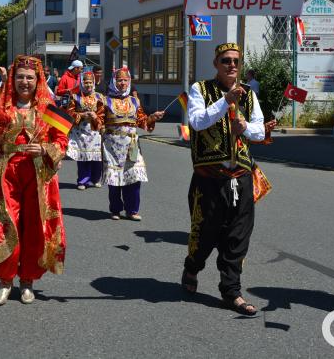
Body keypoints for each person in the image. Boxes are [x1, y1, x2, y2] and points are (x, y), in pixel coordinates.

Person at [182, 42, 276, 316]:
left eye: (236, 61)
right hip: (210, 177)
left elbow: (259, 130)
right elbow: (197, 122)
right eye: (226, 61)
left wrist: (246, 127)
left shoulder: (248, 95)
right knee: (205, 234)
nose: (232, 65)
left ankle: (231, 291)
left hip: (242, 176)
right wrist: (226, 102)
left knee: (238, 237)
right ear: (216, 64)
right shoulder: (201, 89)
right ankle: (192, 267)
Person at [0, 55, 68, 305]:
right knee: (5, 224)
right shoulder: (1, 105)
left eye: (30, 77)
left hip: (39, 175)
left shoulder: (47, 107)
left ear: (38, 79)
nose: (25, 82)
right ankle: (5, 281)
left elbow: (61, 140)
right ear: (13, 78)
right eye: (20, 76)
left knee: (34, 227)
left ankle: (27, 280)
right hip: (7, 173)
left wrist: (45, 149)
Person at [101, 66, 164, 221]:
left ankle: (132, 210)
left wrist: (152, 118)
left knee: (134, 176)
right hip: (112, 145)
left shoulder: (135, 101)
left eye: (125, 80)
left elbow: (142, 121)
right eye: (119, 80)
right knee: (115, 178)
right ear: (114, 82)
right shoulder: (105, 100)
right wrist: (95, 121)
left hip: (132, 144)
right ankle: (115, 209)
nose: (122, 83)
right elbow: (99, 120)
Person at [66, 71, 105, 190]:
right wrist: (82, 115)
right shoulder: (75, 96)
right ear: (82, 83)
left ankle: (95, 178)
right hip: (81, 131)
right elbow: (69, 113)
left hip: (95, 131)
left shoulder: (99, 97)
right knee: (82, 157)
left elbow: (103, 114)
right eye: (86, 82)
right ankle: (83, 180)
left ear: (94, 83)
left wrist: (96, 117)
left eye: (90, 82)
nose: (88, 85)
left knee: (97, 158)